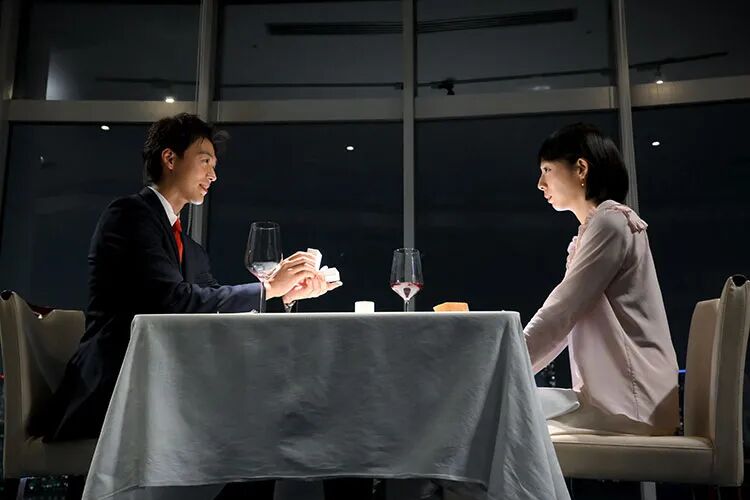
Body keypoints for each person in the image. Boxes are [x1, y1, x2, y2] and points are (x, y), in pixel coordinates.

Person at [29, 113, 368, 499]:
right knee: (266, 424)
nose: (213, 175)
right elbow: (173, 302)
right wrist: (267, 288)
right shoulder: (128, 216)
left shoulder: (190, 249)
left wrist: (284, 294)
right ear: (170, 159)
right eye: (205, 160)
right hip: (118, 388)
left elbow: (211, 313)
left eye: (214, 164)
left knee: (273, 422)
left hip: (168, 386)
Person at [524, 123, 679, 436]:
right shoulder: (595, 229)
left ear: (581, 169)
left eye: (547, 170)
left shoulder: (611, 222)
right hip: (618, 397)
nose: (540, 184)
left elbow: (561, 312)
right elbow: (563, 317)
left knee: (513, 422)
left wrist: (503, 363)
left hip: (633, 402)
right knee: (513, 408)